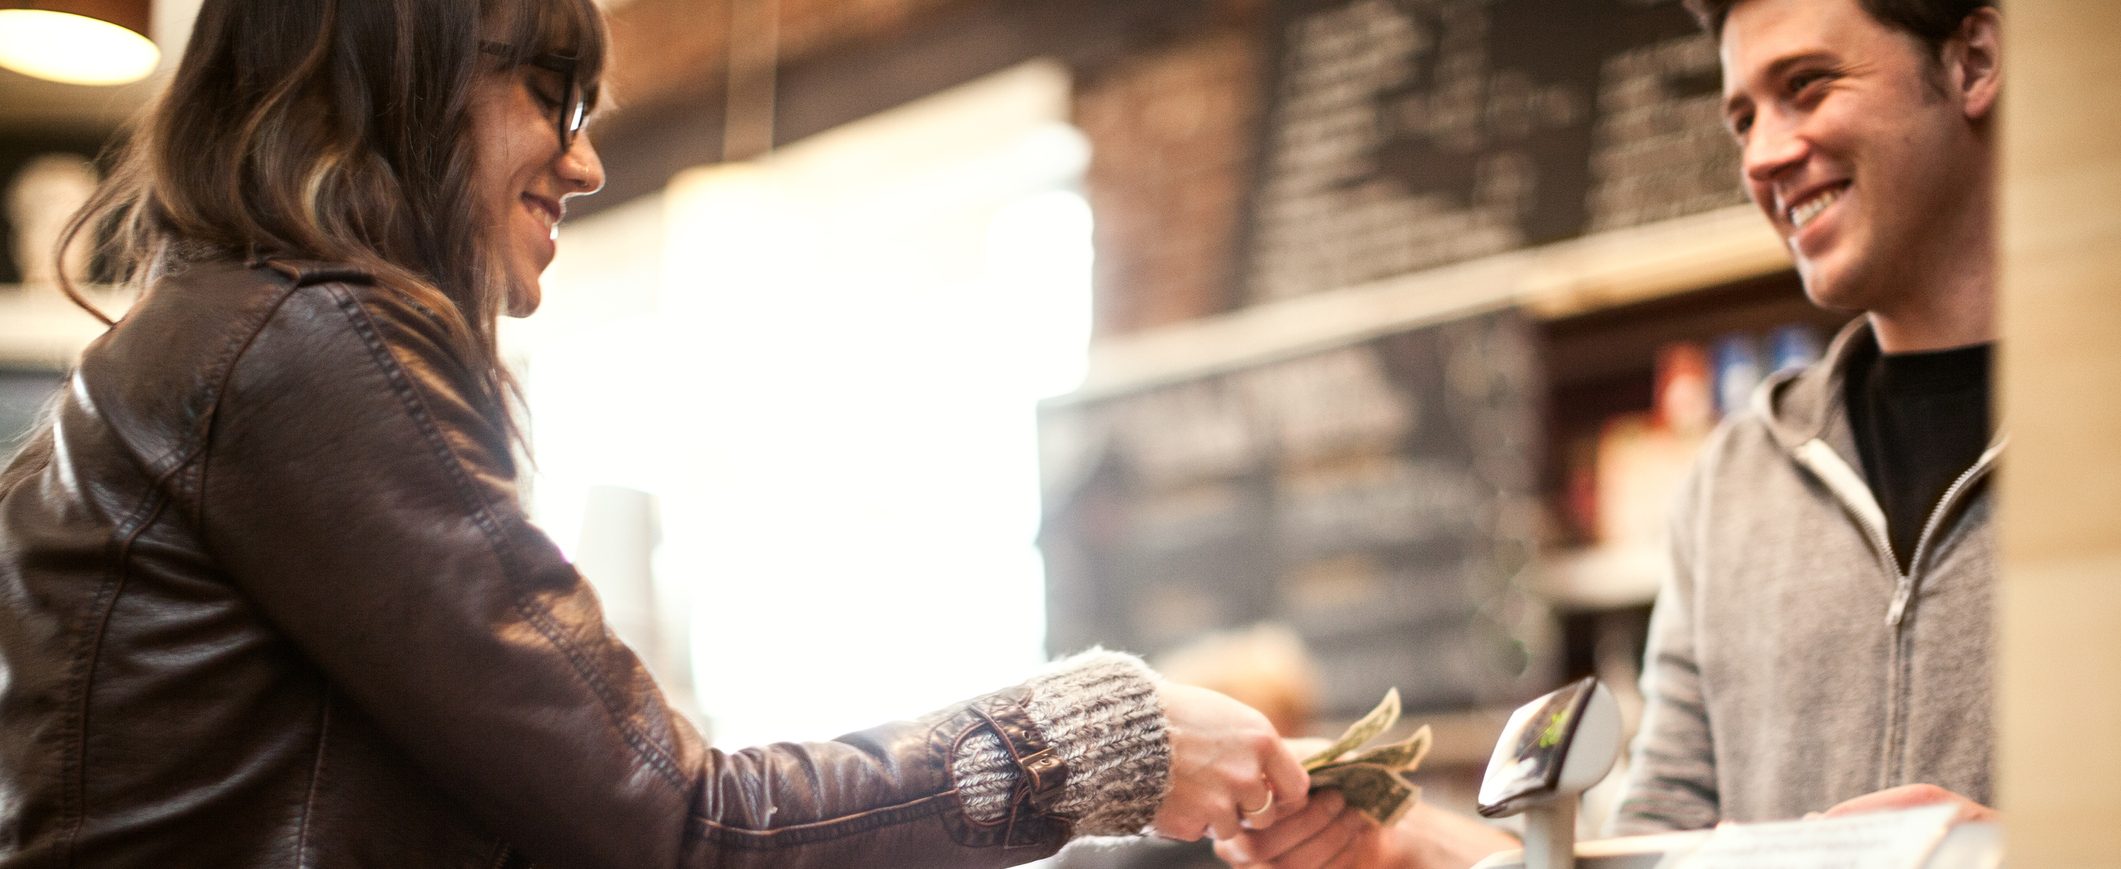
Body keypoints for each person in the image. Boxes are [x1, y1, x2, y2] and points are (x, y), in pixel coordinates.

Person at [0, 1, 1312, 866]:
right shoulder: (305, 344)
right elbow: (681, 828)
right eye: (546, 94)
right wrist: (1087, 744)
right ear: (393, 74)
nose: (583, 164)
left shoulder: (220, 343)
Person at [1216, 0, 2003, 864]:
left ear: (1971, 61)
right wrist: (1414, 847)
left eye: (1806, 86)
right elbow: (1660, 843)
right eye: (1741, 117)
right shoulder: (1736, 478)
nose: (1765, 153)